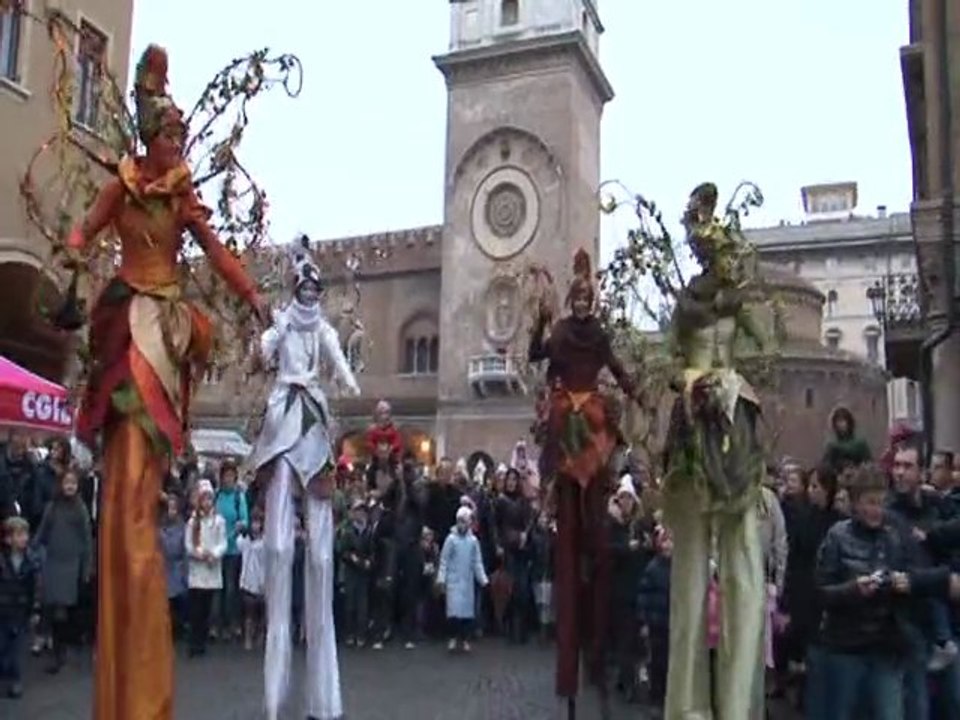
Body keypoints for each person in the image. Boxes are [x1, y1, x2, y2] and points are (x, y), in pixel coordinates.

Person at [64, 45, 267, 720]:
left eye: (181, 136)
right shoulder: (121, 187)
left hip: (164, 333)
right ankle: (126, 676)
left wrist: (251, 295)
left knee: (139, 491)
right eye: (170, 136)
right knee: (124, 489)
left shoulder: (180, 198)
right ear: (148, 140)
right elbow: (84, 232)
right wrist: (71, 260)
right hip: (127, 327)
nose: (178, 146)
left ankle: (143, 682)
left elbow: (217, 253)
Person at [248, 235, 360, 720]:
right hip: (283, 421)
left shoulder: (323, 329)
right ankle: (275, 698)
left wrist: (349, 381)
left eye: (316, 289)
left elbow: (338, 359)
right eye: (305, 288)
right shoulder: (283, 322)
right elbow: (261, 351)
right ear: (296, 289)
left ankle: (323, 698)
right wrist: (265, 337)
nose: (311, 295)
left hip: (312, 422)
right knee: (278, 548)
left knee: (320, 556)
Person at [528, 247, 636, 718]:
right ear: (571, 301)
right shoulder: (560, 331)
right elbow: (537, 354)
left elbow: (615, 366)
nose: (582, 304)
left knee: (592, 442)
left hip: (588, 415)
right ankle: (562, 507)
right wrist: (538, 320)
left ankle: (592, 524)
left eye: (587, 299)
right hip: (568, 416)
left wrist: (636, 390)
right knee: (568, 448)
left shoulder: (599, 334)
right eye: (577, 299)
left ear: (593, 302)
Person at [816, 464, 959, 720]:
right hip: (845, 646)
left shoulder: (894, 535)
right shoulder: (837, 536)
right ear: (855, 503)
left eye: (881, 503)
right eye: (870, 503)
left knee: (891, 713)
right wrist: (854, 589)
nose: (877, 510)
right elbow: (821, 593)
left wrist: (904, 583)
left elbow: (918, 571)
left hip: (887, 645)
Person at [34, 469, 93, 675]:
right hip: (53, 564)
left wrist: (86, 568)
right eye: (66, 482)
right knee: (53, 610)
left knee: (67, 613)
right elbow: (42, 532)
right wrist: (31, 551)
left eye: (73, 483)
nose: (69, 486)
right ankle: (57, 653)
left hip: (71, 565)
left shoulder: (80, 509)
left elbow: (87, 540)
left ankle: (65, 652)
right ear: (60, 485)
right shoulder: (52, 507)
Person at [437, 506, 489, 653]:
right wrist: (441, 579)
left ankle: (465, 639)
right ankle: (453, 638)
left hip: (467, 581)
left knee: (467, 613)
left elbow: (477, 562)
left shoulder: (473, 541)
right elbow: (444, 560)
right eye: (460, 521)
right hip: (453, 581)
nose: (462, 525)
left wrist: (483, 579)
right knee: (453, 612)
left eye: (465, 522)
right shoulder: (451, 539)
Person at [184, 480, 226, 658]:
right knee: (196, 608)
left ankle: (202, 641)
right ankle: (193, 642)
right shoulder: (193, 522)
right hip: (197, 570)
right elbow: (188, 544)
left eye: (209, 499)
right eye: (204, 499)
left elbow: (223, 542)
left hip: (211, 569)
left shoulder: (219, 521)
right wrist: (201, 554)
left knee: (206, 609)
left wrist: (214, 554)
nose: (207, 502)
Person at [0, 516, 40, 699]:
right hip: (3, 609)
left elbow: (36, 588)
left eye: (25, 534)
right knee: (3, 645)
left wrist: (35, 610)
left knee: (17, 649)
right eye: (19, 534)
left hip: (21, 610)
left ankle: (16, 680)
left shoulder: (31, 561)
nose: (24, 538)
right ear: (8, 539)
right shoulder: (2, 561)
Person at [213, 458, 249, 641]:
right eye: (225, 475)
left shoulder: (238, 497)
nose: (228, 479)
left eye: (231, 476)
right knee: (216, 589)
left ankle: (230, 624)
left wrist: (235, 531)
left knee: (230, 588)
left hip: (233, 549)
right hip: (215, 548)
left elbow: (244, 520)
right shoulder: (216, 495)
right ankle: (214, 625)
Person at [237, 511, 266, 651]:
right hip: (248, 579)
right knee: (249, 611)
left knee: (262, 610)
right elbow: (239, 545)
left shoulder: (266, 541)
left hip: (262, 579)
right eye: (253, 522)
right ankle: (248, 637)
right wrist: (243, 533)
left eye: (258, 522)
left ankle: (261, 635)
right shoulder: (245, 540)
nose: (255, 526)